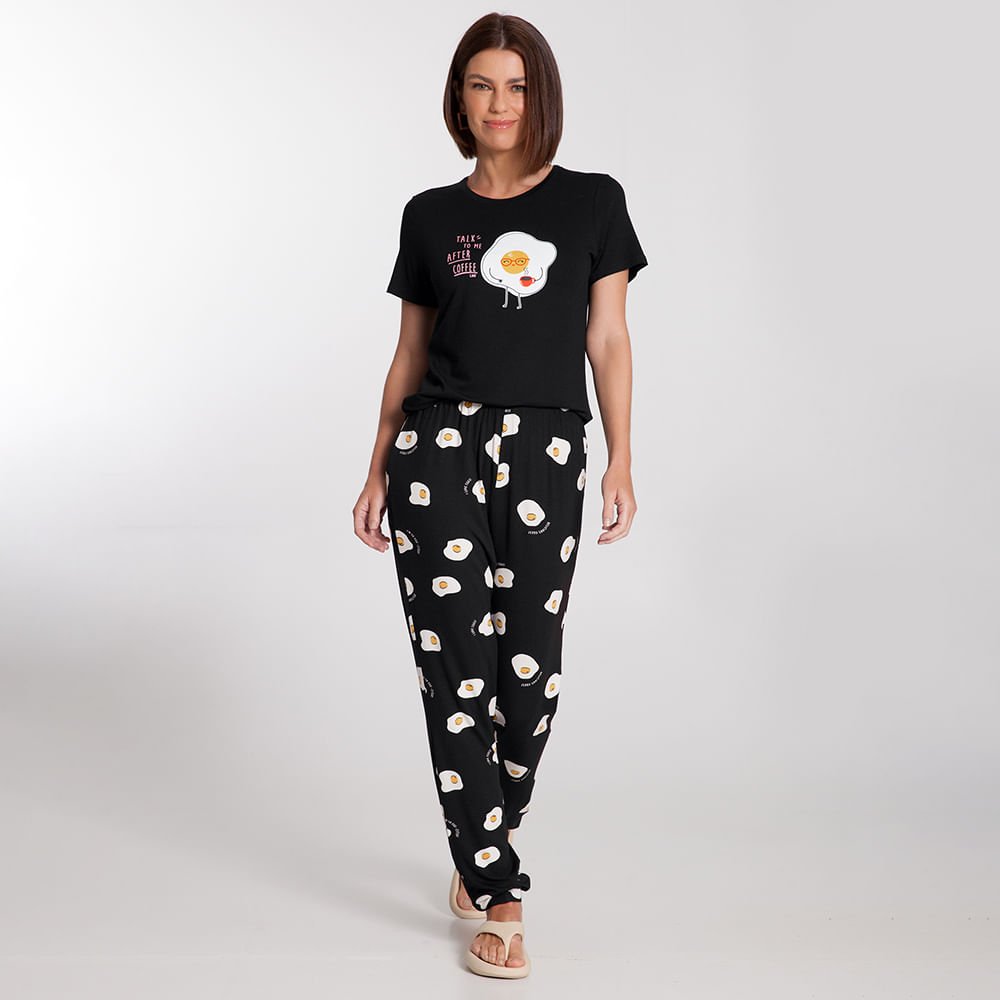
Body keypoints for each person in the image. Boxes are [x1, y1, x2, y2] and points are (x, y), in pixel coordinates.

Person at [353, 11, 647, 980]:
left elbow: (607, 337)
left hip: (545, 450)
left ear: (540, 96)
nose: (499, 104)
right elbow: (409, 351)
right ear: (459, 98)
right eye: (481, 85)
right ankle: (499, 886)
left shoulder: (593, 202)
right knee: (456, 669)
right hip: (436, 447)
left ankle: (481, 832)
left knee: (527, 674)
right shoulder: (429, 216)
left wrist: (620, 456)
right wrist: (376, 465)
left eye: (516, 86)